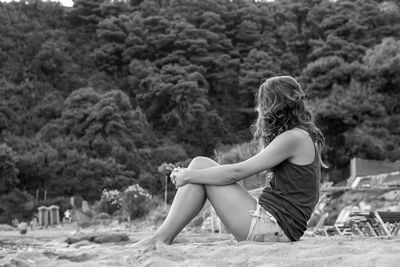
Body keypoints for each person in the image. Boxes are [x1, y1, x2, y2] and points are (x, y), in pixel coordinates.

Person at [136, 76, 326, 246]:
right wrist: (264, 124)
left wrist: (187, 176)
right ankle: (162, 237)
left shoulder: (293, 138)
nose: (259, 109)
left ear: (273, 107)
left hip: (274, 228)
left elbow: (238, 172)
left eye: (262, 104)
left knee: (199, 166)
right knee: (201, 165)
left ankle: (161, 238)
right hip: (277, 225)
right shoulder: (300, 136)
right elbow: (262, 156)